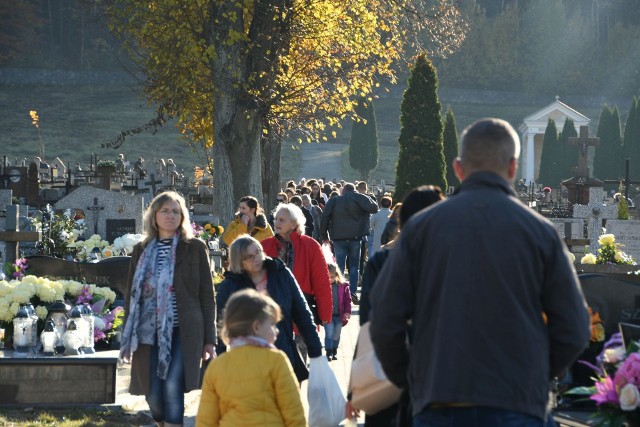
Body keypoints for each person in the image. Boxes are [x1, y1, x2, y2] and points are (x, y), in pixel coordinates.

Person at [369, 118, 591, 426]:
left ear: (458, 168)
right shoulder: (540, 233)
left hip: (440, 397)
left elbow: (384, 318)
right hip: (517, 398)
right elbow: (575, 327)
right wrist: (535, 373)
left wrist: (414, 378)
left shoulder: (421, 228)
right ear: (513, 168)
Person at [347, 185, 445, 427]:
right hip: (438, 376)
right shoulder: (450, 263)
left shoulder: (382, 261)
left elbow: (368, 325)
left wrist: (355, 387)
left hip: (386, 372)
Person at [119, 190, 216, 427]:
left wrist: (209, 339)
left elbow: (206, 294)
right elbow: (133, 294)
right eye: (165, 211)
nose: (170, 215)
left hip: (184, 330)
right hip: (147, 332)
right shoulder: (141, 250)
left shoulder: (195, 248)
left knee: (173, 385)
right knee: (152, 393)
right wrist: (127, 336)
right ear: (154, 216)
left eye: (176, 211)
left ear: (182, 216)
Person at [216, 235, 323, 382]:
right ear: (238, 261)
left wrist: (315, 350)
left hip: (283, 354)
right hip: (247, 364)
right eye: (249, 257)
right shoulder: (229, 286)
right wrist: (218, 364)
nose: (257, 258)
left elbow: (302, 313)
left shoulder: (281, 273)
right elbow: (220, 325)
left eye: (258, 252)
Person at [196, 289, 306, 427]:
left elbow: (206, 420)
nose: (276, 330)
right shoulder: (276, 360)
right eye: (272, 324)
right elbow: (293, 411)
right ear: (256, 327)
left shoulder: (217, 366)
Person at [261, 203, 333, 361]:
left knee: (298, 365)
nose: (276, 223)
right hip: (269, 316)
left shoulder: (310, 246)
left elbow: (321, 281)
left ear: (294, 224)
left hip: (300, 315)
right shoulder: (265, 246)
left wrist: (325, 313)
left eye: (282, 220)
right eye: (276, 219)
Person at [320, 182, 378, 302]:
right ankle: (352, 292)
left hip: (338, 238)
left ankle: (339, 292)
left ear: (343, 191)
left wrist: (324, 235)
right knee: (354, 267)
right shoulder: (359, 198)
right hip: (355, 237)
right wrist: (364, 196)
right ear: (354, 190)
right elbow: (374, 207)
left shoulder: (334, 200)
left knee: (339, 266)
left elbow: (325, 217)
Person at [324, 263, 351, 362]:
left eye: (332, 277)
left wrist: (347, 312)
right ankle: (328, 352)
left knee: (336, 334)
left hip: (339, 315)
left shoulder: (343, 286)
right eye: (327, 277)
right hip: (328, 316)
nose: (330, 279)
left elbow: (348, 300)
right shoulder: (323, 286)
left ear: (336, 275)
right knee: (329, 333)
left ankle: (334, 350)